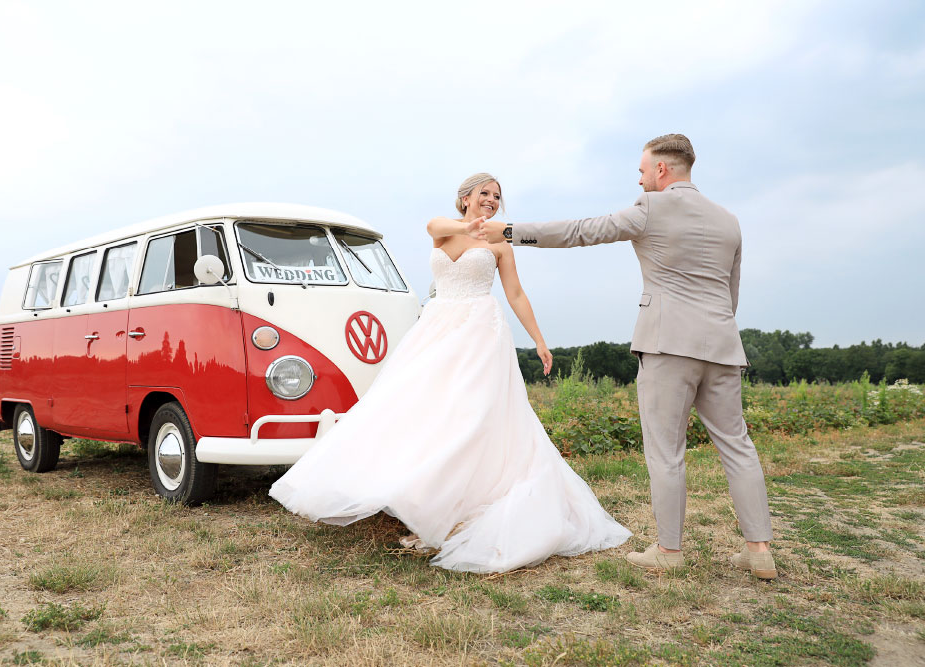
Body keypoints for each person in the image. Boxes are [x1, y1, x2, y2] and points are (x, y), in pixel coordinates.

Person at [269, 173, 631, 573]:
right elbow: (432, 227)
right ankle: (416, 494)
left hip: (479, 331)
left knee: (470, 413)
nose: (492, 200)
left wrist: (540, 341)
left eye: (497, 196)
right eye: (484, 194)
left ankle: (458, 505)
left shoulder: (499, 243)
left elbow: (515, 294)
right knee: (418, 407)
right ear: (465, 199)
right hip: (437, 329)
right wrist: (469, 226)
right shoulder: (444, 229)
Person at [478, 136, 777, 579]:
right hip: (722, 346)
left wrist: (509, 231)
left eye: (642, 170)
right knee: (738, 447)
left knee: (666, 452)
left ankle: (670, 551)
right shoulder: (729, 221)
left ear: (661, 170)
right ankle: (759, 551)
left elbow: (582, 231)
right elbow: (730, 295)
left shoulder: (649, 209)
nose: (638, 178)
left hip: (666, 345)